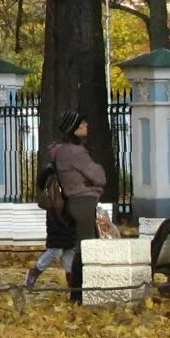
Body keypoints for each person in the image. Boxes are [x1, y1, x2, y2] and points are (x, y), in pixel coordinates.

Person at [25, 111, 109, 297]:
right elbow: (100, 176)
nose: (86, 126)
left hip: (72, 205)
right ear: (73, 130)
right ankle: (79, 292)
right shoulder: (75, 152)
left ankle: (76, 289)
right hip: (83, 203)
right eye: (81, 125)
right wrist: (94, 177)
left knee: (75, 247)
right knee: (84, 248)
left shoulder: (61, 152)